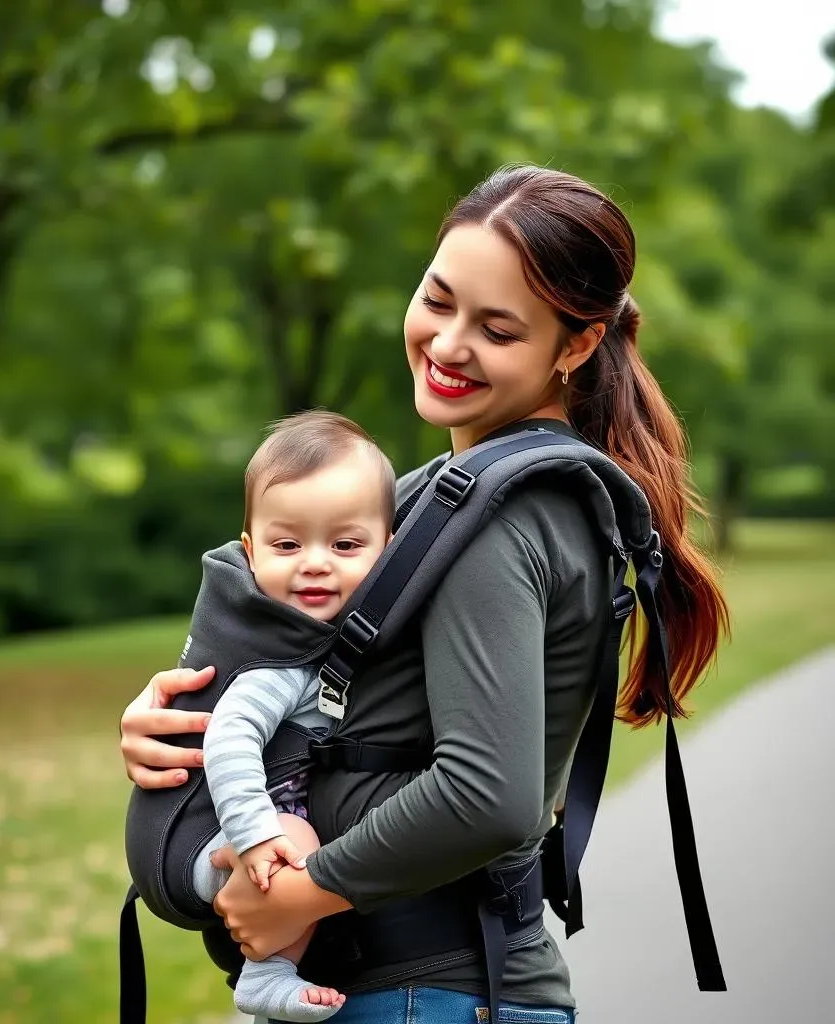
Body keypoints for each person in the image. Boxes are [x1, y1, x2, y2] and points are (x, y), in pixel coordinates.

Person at [120, 164, 728, 1024]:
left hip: (426, 991)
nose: (447, 345)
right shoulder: (439, 496)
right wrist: (185, 720)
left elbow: (491, 794)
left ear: (577, 345)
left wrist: (305, 895)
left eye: (497, 328)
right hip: (410, 989)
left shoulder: (503, 519)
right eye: (438, 300)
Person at [188, 410, 396, 1022]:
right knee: (300, 843)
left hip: (253, 838)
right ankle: (264, 978)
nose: (314, 562)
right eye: (286, 544)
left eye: (346, 544)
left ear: (389, 549)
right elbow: (227, 737)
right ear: (249, 553)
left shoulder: (338, 646)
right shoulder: (279, 664)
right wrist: (257, 834)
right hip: (227, 842)